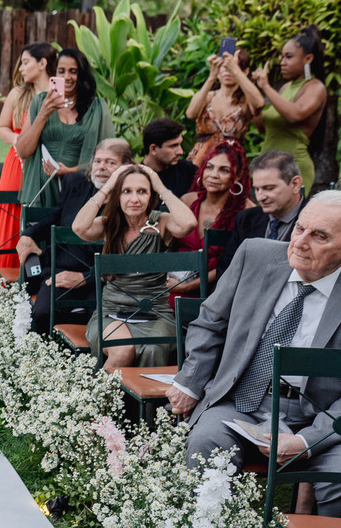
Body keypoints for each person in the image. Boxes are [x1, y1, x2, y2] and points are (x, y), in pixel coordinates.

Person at [170, 192, 341, 515]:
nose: (301, 242)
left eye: (319, 236)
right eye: (300, 228)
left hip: (321, 416)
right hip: (243, 401)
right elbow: (211, 322)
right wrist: (189, 383)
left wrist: (307, 441)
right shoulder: (256, 255)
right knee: (207, 444)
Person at [72, 164, 196, 370]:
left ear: (151, 195)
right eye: (126, 191)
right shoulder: (109, 223)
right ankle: (102, 401)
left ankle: (143, 402)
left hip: (156, 313)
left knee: (152, 349)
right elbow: (79, 227)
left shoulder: (161, 223)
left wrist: (160, 186)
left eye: (142, 191)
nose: (134, 199)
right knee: (122, 350)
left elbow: (188, 224)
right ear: (117, 195)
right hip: (111, 312)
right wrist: (108, 187)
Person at [16, 138, 133, 334]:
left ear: (126, 167)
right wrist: (28, 235)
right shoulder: (75, 182)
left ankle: (82, 356)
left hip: (105, 279)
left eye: (110, 163)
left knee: (100, 323)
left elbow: (128, 257)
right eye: (97, 161)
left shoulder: (132, 199)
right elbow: (56, 216)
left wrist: (84, 278)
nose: (101, 168)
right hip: (61, 269)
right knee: (43, 312)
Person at [0, 41, 56, 273]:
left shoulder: (58, 95)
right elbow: (2, 128)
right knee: (11, 211)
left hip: (48, 163)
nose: (21, 69)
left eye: (26, 63)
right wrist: (18, 141)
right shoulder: (18, 94)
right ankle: (6, 271)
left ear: (43, 63)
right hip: (18, 161)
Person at [17, 47, 112, 210]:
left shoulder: (97, 108)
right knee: (37, 234)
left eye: (73, 71)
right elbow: (23, 151)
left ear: (82, 74)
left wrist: (70, 171)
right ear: (54, 74)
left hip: (79, 187)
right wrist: (43, 114)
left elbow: (110, 154)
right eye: (61, 71)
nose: (67, 77)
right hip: (42, 187)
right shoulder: (40, 102)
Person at [170, 141, 254, 296]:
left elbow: (237, 264)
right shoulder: (188, 201)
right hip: (174, 284)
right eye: (209, 167)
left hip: (217, 291)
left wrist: (188, 286)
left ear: (238, 176)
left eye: (224, 170)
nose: (213, 175)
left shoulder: (247, 211)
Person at [254, 26, 327, 194]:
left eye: (288, 57)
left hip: (292, 169)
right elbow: (261, 126)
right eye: (282, 57)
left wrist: (266, 87)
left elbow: (295, 114)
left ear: (308, 59)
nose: (282, 62)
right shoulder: (286, 87)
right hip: (267, 168)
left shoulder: (315, 87)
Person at [218, 151, 306, 275]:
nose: (260, 197)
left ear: (295, 184)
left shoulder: (316, 221)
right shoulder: (246, 219)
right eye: (256, 189)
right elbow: (226, 270)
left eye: (269, 188)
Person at [185, 49, 263, 167]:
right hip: (198, 162)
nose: (228, 70)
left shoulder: (246, 101)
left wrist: (236, 71)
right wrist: (212, 76)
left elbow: (259, 104)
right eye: (224, 66)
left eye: (232, 66)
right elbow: (191, 114)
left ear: (245, 71)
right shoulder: (208, 96)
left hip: (229, 165)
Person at [140, 118, 196, 198]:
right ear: (153, 149)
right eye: (173, 146)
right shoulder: (136, 178)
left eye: (180, 144)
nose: (180, 152)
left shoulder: (188, 170)